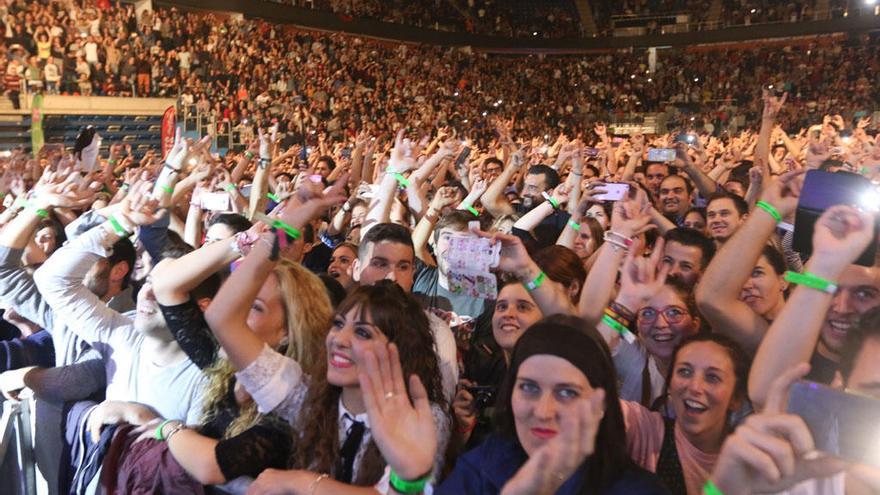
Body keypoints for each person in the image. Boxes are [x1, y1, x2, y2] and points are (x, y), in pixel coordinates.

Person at [439, 316, 670, 494]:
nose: (543, 411)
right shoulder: (480, 469)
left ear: (601, 405)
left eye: (567, 392)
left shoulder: (637, 490)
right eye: (529, 388)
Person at [621, 333, 751, 495]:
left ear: (736, 398)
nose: (695, 387)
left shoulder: (750, 462)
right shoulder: (645, 430)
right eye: (685, 372)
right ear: (669, 385)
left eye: (712, 377)